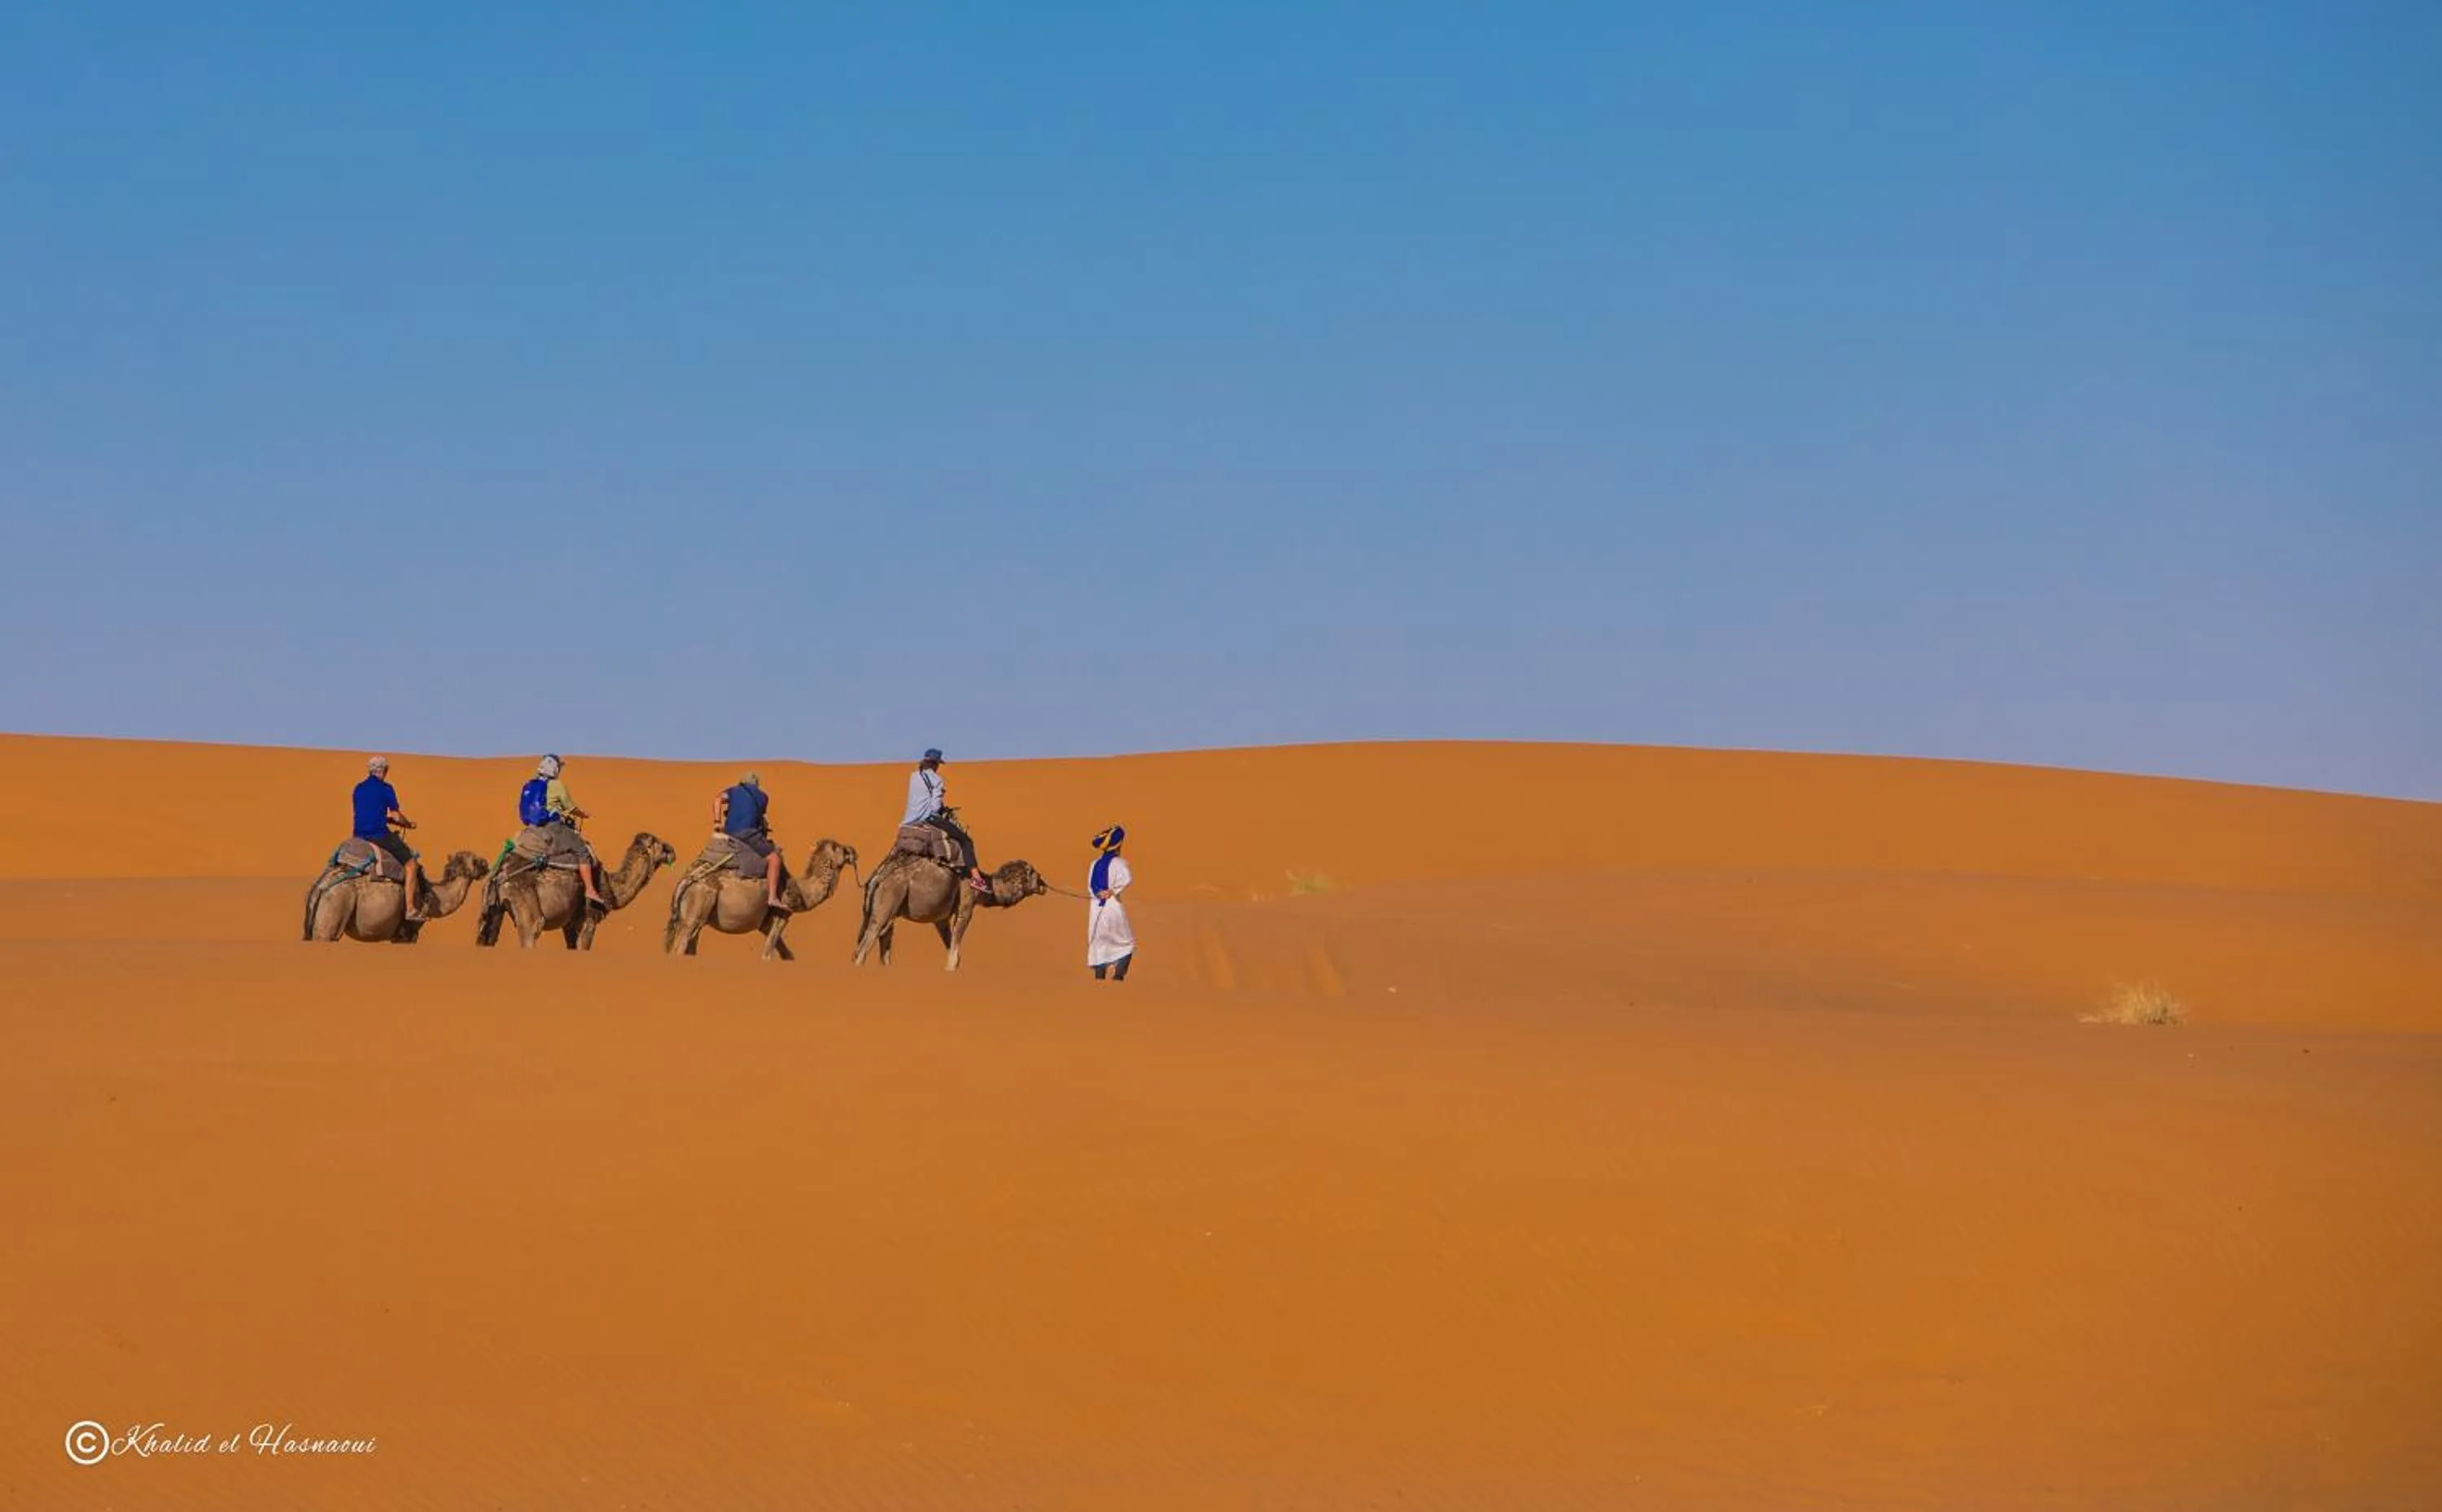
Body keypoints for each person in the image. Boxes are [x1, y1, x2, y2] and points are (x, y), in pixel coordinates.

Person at [519, 754, 605, 908]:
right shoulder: (556, 785)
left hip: (531, 829)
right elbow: (570, 807)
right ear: (555, 769)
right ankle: (590, 889)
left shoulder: (529, 785)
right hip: (552, 828)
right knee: (582, 850)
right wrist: (583, 814)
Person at [903, 748, 991, 893]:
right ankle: (977, 879)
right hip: (928, 818)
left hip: (908, 820)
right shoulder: (937, 780)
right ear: (936, 764)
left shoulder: (914, 776)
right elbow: (934, 807)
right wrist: (942, 806)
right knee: (965, 841)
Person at [352, 755, 427, 920]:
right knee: (411, 864)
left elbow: (368, 812)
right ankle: (410, 909)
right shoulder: (386, 788)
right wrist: (407, 824)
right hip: (378, 835)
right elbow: (395, 814)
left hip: (358, 836)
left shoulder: (358, 788)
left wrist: (386, 819)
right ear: (384, 771)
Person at [713, 770, 786, 910]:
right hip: (747, 834)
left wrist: (717, 822)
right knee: (775, 859)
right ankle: (772, 897)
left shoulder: (734, 790)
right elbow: (760, 819)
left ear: (742, 782)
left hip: (728, 833)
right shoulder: (763, 796)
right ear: (756, 785)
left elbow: (717, 800)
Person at [1086, 824, 1135, 982]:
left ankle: (1100, 981)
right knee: (1126, 944)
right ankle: (1118, 978)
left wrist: (1100, 892)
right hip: (1113, 909)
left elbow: (1091, 887)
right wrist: (1113, 890)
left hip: (1096, 912)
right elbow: (1127, 879)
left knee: (1099, 947)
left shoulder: (1094, 864)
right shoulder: (1120, 863)